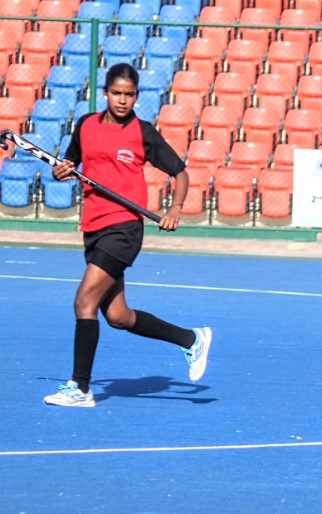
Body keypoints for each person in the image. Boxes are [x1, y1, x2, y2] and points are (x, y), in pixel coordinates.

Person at [43, 63, 211, 408]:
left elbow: (180, 173)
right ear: (106, 93)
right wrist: (61, 172)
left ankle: (81, 389)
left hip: (124, 228)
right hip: (93, 226)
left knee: (83, 302)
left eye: (129, 94)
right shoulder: (86, 124)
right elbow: (71, 165)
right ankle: (191, 339)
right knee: (118, 316)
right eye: (117, 93)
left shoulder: (143, 132)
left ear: (136, 96)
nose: (122, 100)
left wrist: (175, 208)